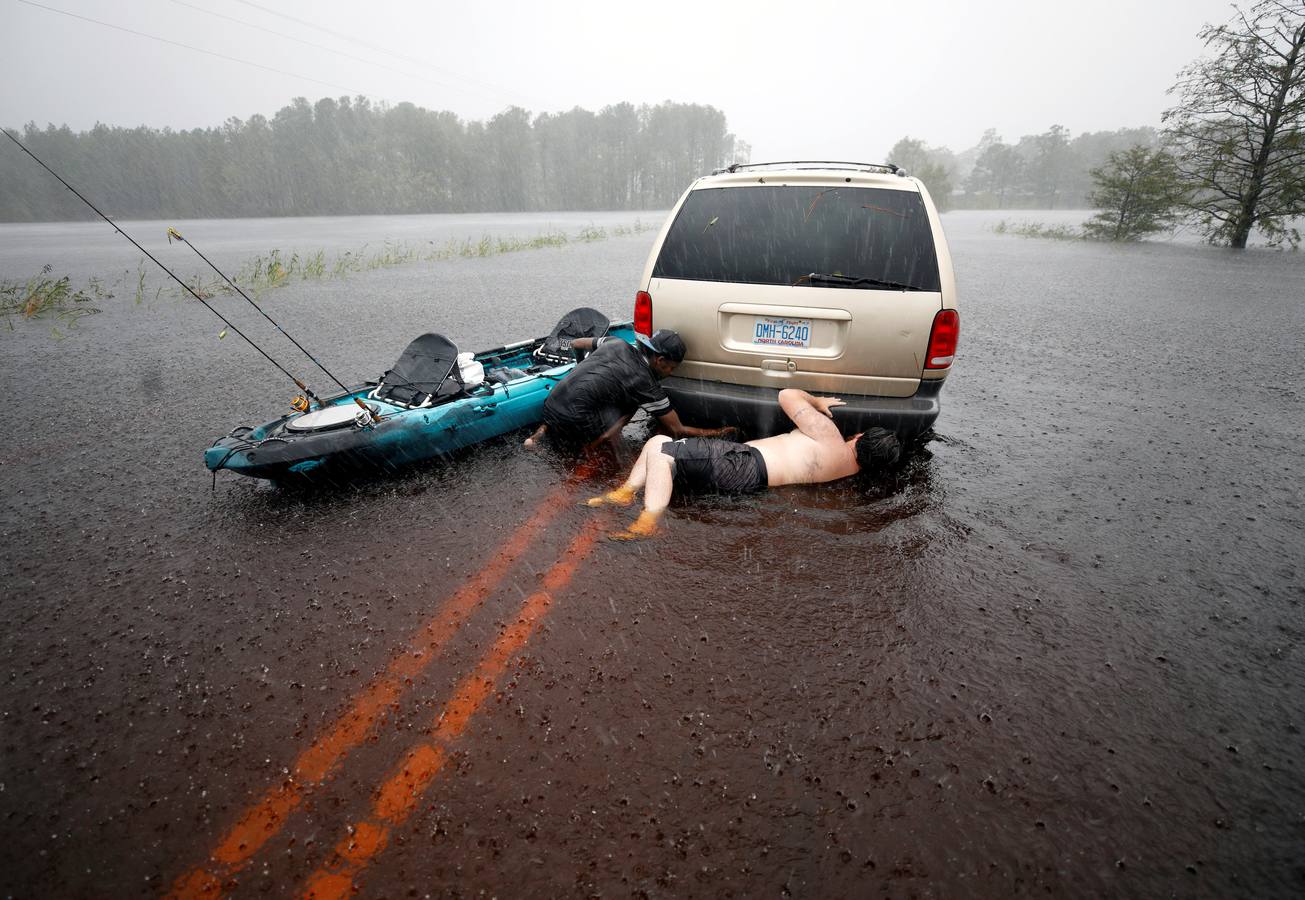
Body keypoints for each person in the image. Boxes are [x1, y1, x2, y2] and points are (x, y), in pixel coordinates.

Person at [587, 388, 902, 540]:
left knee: (663, 453)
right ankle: (626, 491)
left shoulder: (830, 437)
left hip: (742, 462)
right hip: (747, 479)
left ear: (858, 437)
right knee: (656, 443)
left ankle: (648, 520)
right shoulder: (849, 470)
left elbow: (787, 395)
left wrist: (817, 402)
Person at [524, 328, 734, 453]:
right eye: (671, 367)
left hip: (551, 405)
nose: (670, 372)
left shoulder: (616, 342)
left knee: (585, 390)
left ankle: (538, 434)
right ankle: (595, 443)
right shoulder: (645, 384)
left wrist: (580, 367)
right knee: (632, 403)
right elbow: (677, 429)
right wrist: (716, 432)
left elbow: (577, 343)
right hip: (576, 421)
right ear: (660, 360)